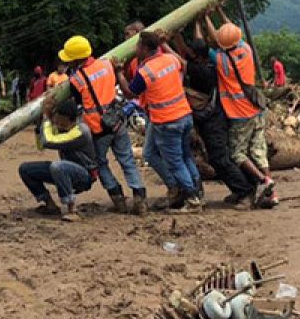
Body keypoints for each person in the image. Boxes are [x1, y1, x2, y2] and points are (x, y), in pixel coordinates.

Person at [59, 35, 148, 214]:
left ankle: (118, 199)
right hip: (116, 121)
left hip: (97, 128)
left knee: (100, 164)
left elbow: (77, 102)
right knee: (127, 161)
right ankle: (140, 199)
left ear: (75, 59)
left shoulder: (77, 79)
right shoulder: (107, 64)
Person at [123, 30, 201, 212]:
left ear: (144, 48)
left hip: (167, 121)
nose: (135, 48)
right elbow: (181, 66)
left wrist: (119, 72)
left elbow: (130, 92)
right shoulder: (170, 60)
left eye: (137, 45)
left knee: (176, 161)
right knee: (173, 155)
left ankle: (192, 197)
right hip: (183, 115)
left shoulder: (145, 71)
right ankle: (189, 191)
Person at [211, 9, 277, 209]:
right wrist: (221, 12)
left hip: (240, 113)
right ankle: (272, 195)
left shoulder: (222, 61)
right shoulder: (246, 49)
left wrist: (205, 18)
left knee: (237, 154)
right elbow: (230, 33)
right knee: (258, 151)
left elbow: (211, 43)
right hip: (257, 109)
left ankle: (263, 181)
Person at [183, 25, 254, 206]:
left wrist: (170, 41)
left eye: (189, 51)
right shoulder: (214, 62)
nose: (186, 52)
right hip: (219, 116)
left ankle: (245, 192)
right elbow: (199, 46)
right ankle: (242, 189)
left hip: (213, 121)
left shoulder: (199, 70)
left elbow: (182, 58)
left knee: (220, 158)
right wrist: (198, 23)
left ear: (195, 55)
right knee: (222, 157)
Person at [17, 95, 99, 222]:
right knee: (25, 169)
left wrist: (46, 119)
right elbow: (41, 146)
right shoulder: (61, 128)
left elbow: (49, 141)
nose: (56, 121)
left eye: (60, 119)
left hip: (84, 175)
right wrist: (39, 128)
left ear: (69, 119)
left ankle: (72, 210)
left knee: (58, 166)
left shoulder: (81, 131)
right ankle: (50, 205)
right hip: (64, 171)